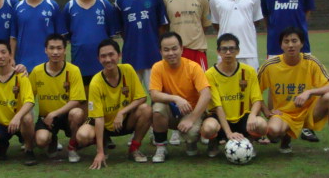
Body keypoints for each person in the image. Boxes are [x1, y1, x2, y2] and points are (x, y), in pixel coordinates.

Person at [258, 27, 329, 164]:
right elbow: (254, 91)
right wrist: (267, 112)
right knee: (273, 131)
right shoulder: (270, 65)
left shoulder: (311, 62)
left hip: (308, 111)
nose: (290, 45)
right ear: (281, 45)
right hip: (284, 114)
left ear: (302, 43)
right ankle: (285, 138)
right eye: (286, 41)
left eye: (294, 41)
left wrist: (309, 92)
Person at [258, 0, 318, 142]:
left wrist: (299, 33)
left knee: (305, 82)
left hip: (301, 43)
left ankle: (306, 125)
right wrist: (276, 31)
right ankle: (274, 121)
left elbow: (307, 11)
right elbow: (265, 15)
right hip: (275, 43)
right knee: (273, 83)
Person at [76, 38, 152, 169]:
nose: (108, 59)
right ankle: (102, 145)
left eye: (111, 54)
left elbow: (141, 98)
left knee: (146, 110)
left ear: (119, 55)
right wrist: (99, 152)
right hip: (103, 123)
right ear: (99, 59)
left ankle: (134, 149)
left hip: (123, 121)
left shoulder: (128, 70)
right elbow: (98, 118)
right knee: (82, 135)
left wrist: (122, 112)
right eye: (103, 56)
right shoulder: (96, 82)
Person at [200, 34, 267, 158]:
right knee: (208, 128)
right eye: (224, 49)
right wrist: (228, 133)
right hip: (220, 119)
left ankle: (249, 140)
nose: (228, 52)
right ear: (218, 52)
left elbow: (257, 99)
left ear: (238, 51)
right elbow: (218, 106)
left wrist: (252, 116)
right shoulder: (210, 74)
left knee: (261, 124)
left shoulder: (249, 71)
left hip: (243, 117)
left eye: (232, 49)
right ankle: (213, 142)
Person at [149, 32, 211, 163]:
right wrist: (176, 98)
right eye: (166, 50)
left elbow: (206, 94)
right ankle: (161, 147)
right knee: (158, 108)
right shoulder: (157, 67)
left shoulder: (193, 67)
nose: (171, 53)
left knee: (191, 133)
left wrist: (192, 118)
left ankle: (191, 142)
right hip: (171, 112)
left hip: (191, 111)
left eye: (174, 48)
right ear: (160, 51)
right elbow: (154, 94)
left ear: (182, 49)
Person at [29, 34, 86, 163]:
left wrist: (54, 113)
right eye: (52, 48)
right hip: (46, 117)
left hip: (66, 115)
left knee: (77, 113)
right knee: (41, 141)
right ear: (46, 50)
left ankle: (72, 147)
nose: (55, 52)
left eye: (59, 48)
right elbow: (29, 97)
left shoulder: (74, 70)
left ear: (65, 50)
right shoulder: (37, 71)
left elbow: (76, 100)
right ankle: (52, 140)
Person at [115, 0, 168, 89]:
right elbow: (121, 29)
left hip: (153, 55)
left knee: (156, 95)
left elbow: (162, 25)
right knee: (132, 96)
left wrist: (156, 44)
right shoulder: (120, 0)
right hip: (131, 56)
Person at [63, 0, 118, 89]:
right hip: (80, 63)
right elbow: (67, 37)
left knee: (104, 95)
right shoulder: (69, 6)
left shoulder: (104, 4)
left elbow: (111, 36)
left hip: (103, 63)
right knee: (83, 98)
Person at [209, 0, 263, 70]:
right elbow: (217, 24)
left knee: (250, 81)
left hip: (249, 52)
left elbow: (256, 21)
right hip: (225, 52)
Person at [11, 0, 64, 72]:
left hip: (49, 65)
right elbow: (13, 37)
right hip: (23, 65)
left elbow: (61, 36)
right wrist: (12, 58)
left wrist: (61, 60)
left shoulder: (52, 5)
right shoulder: (17, 7)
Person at [162, 0, 211, 70]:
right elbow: (165, 27)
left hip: (197, 50)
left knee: (201, 81)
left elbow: (206, 23)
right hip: (175, 52)